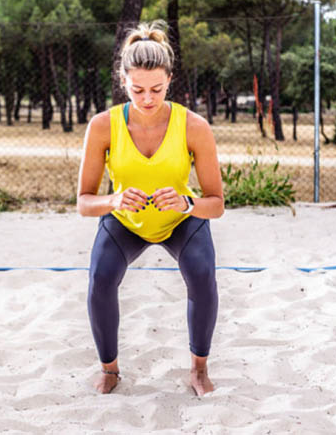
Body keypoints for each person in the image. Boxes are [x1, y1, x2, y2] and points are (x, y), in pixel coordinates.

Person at [76, 21, 225, 394]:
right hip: (125, 222)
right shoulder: (102, 126)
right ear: (123, 81)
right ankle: (110, 370)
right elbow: (83, 202)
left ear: (170, 80)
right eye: (138, 89)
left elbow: (217, 203)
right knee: (100, 281)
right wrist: (112, 200)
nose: (147, 98)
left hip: (180, 221)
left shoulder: (194, 126)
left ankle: (199, 369)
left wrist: (188, 203)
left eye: (156, 89)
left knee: (203, 276)